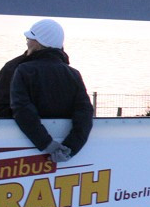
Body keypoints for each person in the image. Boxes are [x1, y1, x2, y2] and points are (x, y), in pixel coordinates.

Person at [6, 19, 94, 162]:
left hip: (27, 156)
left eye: (29, 38)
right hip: (65, 155)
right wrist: (70, 148)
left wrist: (47, 144)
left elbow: (22, 110)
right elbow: (85, 114)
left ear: (39, 42)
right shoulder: (73, 74)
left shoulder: (24, 70)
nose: (27, 42)